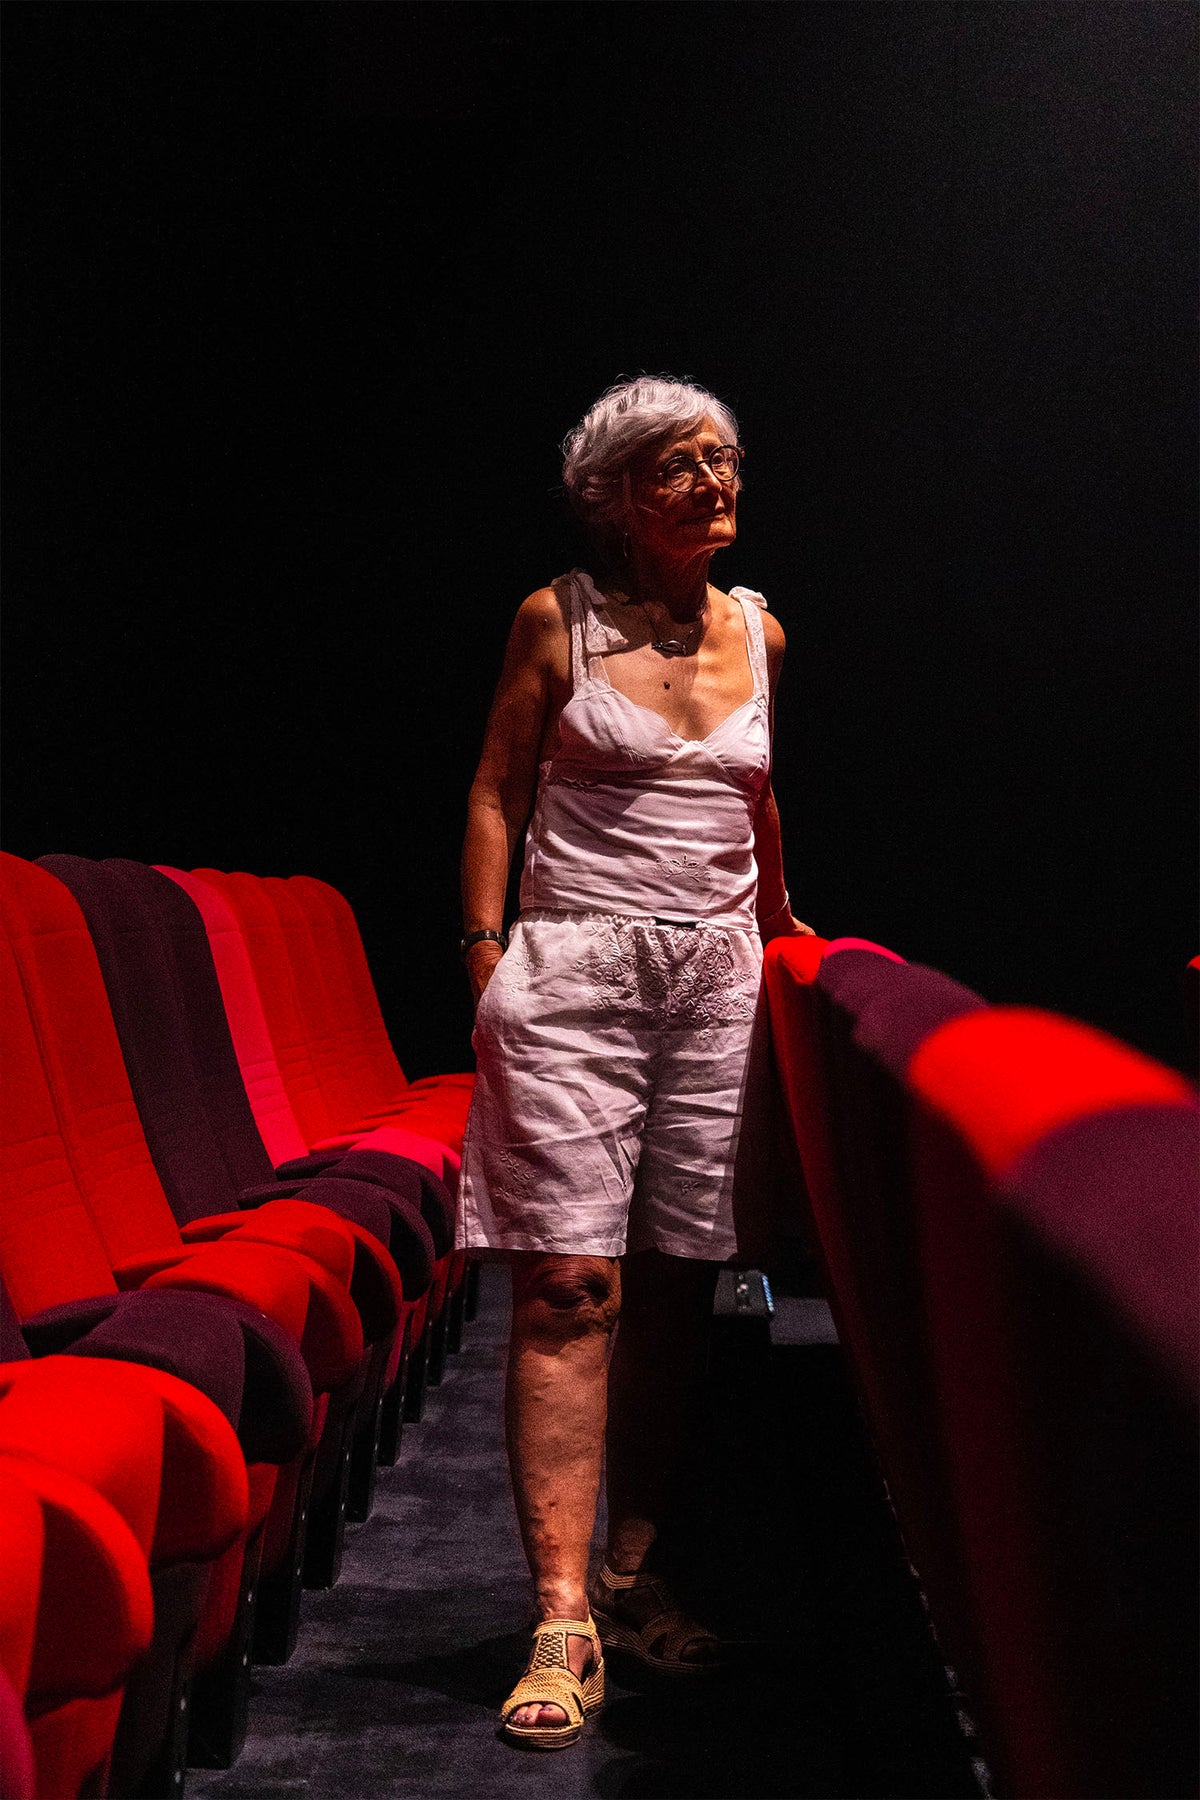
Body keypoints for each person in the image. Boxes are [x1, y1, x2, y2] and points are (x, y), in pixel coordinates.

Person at [456, 374, 813, 1750]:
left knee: (675, 1287)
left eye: (724, 457)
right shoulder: (557, 619)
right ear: (617, 496)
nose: (715, 481)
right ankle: (558, 1614)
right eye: (680, 464)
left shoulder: (761, 630)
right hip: (574, 981)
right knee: (569, 1284)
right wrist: (485, 959)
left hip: (715, 990)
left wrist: (786, 931)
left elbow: (759, 801)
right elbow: (498, 789)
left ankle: (632, 1572)